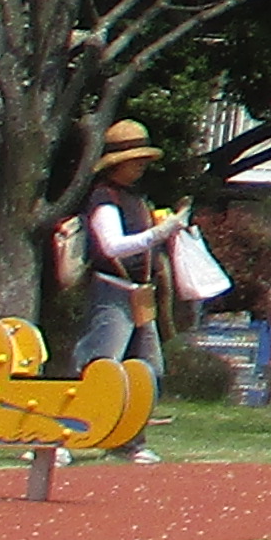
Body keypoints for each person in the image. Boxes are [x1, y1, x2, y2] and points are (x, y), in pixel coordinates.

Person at [62, 121, 183, 463]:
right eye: (135, 160)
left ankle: (129, 440)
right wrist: (160, 232)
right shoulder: (105, 197)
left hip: (139, 293)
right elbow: (112, 246)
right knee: (97, 365)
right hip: (111, 291)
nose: (141, 166)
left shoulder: (137, 199)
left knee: (147, 369)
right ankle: (61, 439)